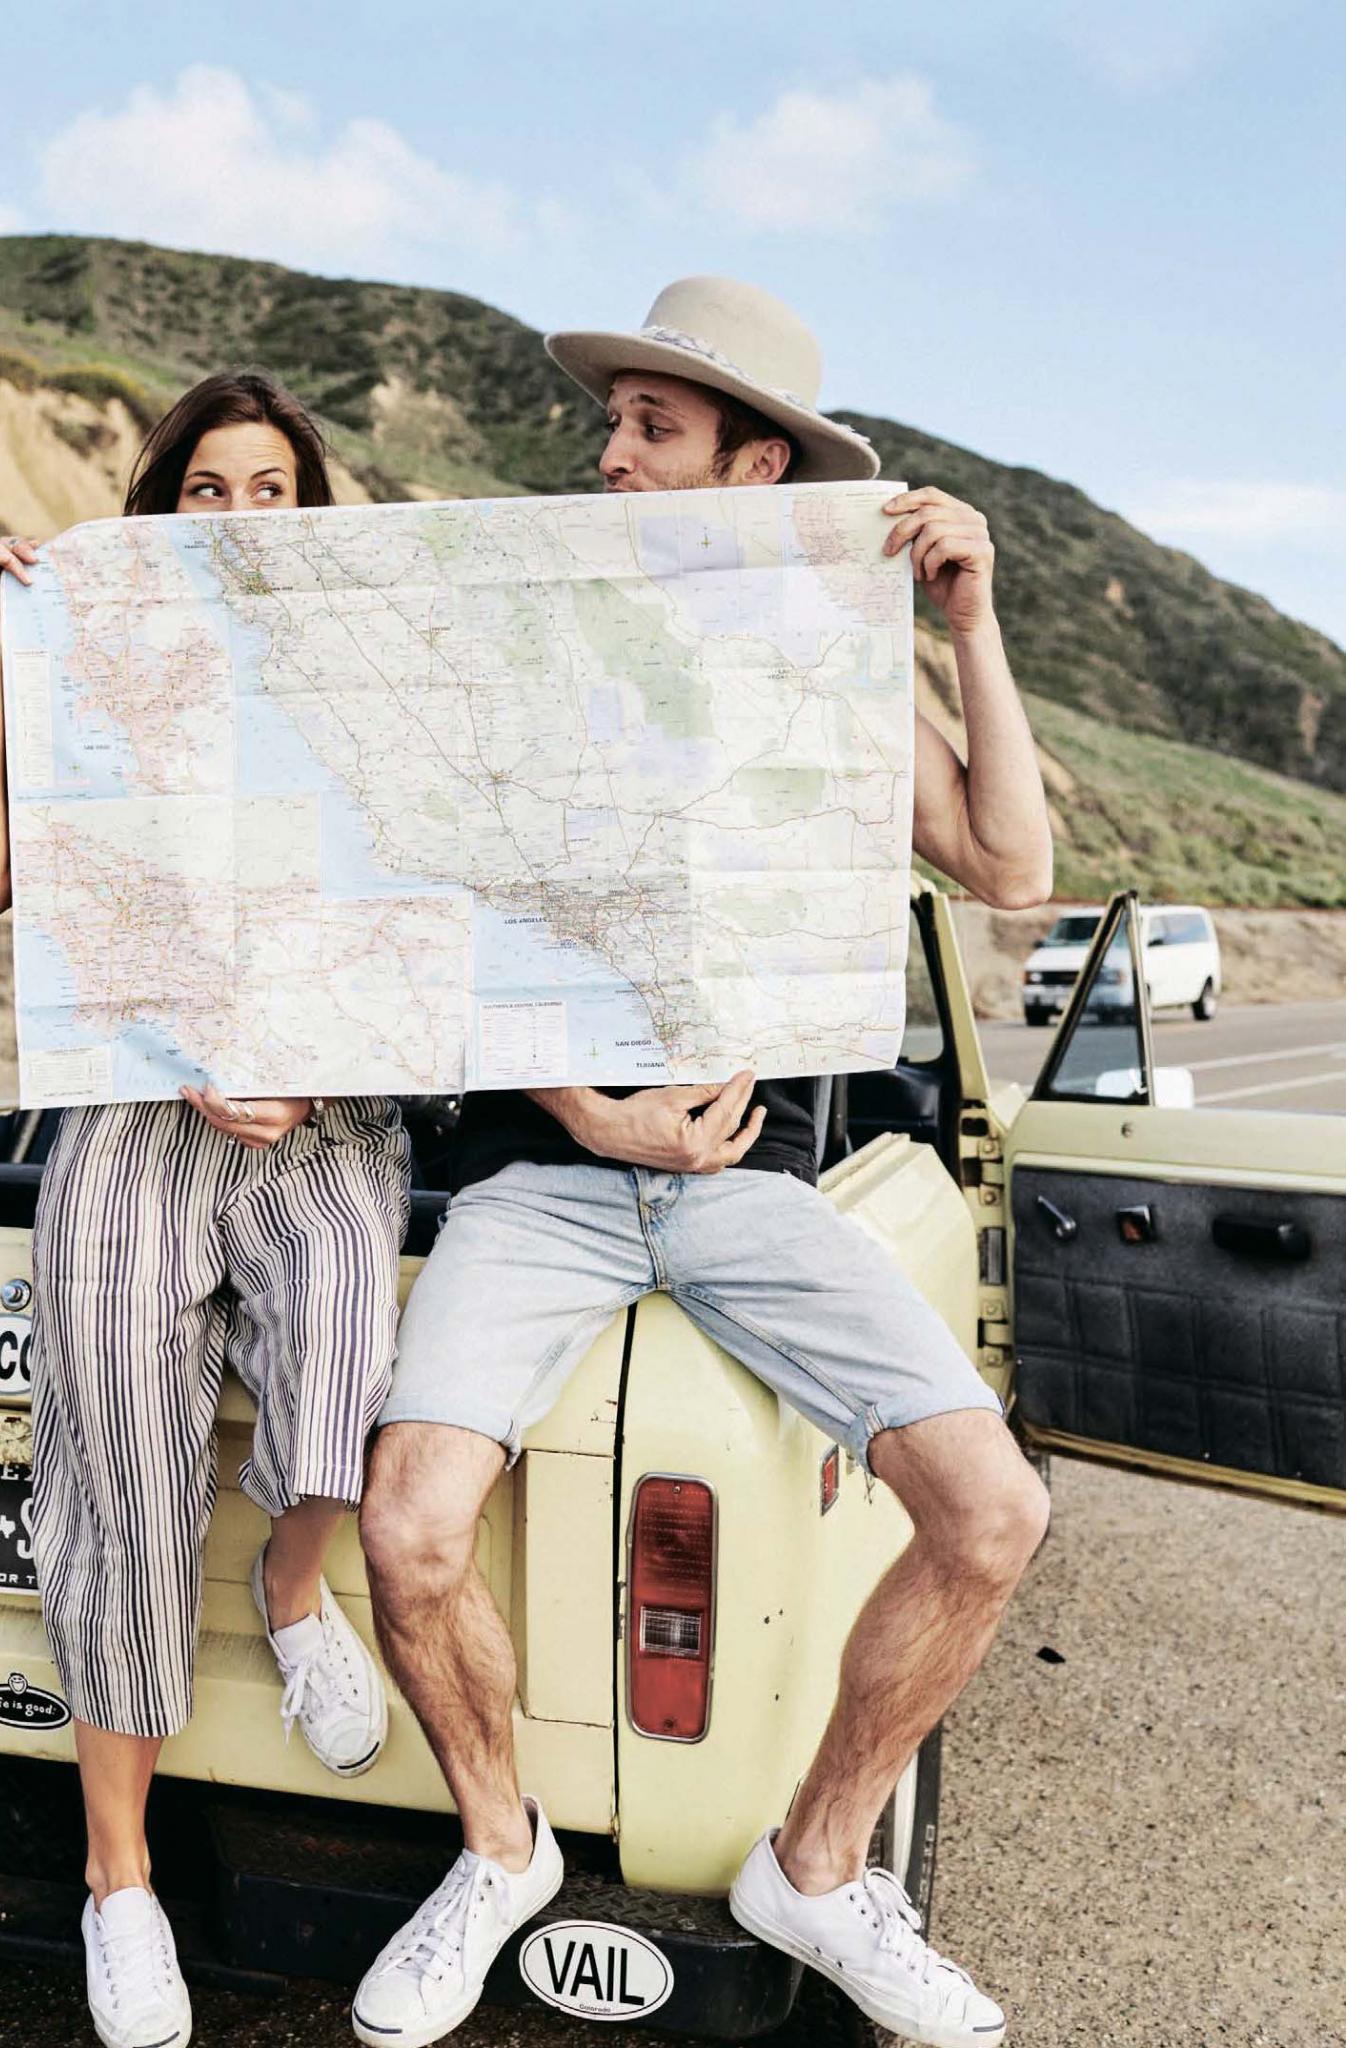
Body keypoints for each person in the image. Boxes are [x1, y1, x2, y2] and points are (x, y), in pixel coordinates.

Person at [352, 278, 1053, 2048]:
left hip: (749, 1192)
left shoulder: (824, 674)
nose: (608, 455)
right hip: (543, 1180)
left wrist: (967, 625)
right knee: (409, 1526)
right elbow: (427, 921)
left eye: (650, 429)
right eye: (611, 424)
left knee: (994, 1514)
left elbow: (1009, 867)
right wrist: (587, 1114)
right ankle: (498, 1849)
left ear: (754, 469)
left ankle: (814, 1869)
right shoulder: (526, 660)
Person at [0, 372, 411, 2048]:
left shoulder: (372, 694)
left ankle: (289, 1588)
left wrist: (309, 1057)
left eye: (270, 488)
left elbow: (431, 917)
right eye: (206, 487)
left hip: (323, 1117)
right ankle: (119, 1885)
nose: (236, 514)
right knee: (120, 1492)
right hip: (134, 1114)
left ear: (310, 515)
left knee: (347, 1378)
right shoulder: (93, 674)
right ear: (159, 513)